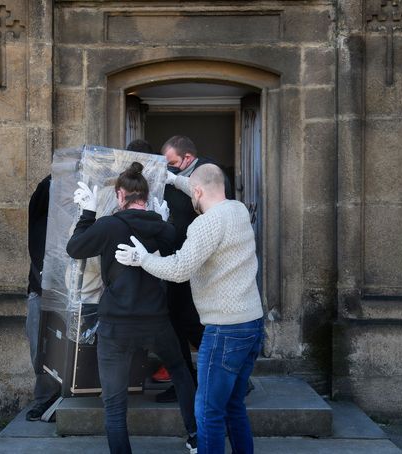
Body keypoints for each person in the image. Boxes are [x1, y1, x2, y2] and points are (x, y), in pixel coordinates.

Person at [115, 164, 264, 454]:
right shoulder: (238, 210)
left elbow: (180, 269)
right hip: (252, 324)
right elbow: (201, 185)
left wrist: (141, 258)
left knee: (208, 412)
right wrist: (174, 179)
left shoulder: (205, 224)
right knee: (234, 406)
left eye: (190, 190)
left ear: (197, 192)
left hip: (224, 330)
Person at [66, 162, 198, 454]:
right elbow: (177, 253)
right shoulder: (164, 228)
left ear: (120, 195)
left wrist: (87, 213)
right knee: (180, 371)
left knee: (114, 403)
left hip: (116, 325)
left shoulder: (109, 225)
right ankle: (195, 436)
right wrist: (164, 223)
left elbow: (75, 248)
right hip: (157, 320)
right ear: (146, 196)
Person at [154, 135, 234, 403]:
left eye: (172, 163)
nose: (169, 168)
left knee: (190, 322)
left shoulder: (209, 174)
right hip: (178, 259)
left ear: (187, 159)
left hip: (199, 264)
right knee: (177, 322)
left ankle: (228, 379)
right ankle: (185, 382)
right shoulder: (175, 177)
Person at [25, 175, 62, 421]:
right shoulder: (41, 221)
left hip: (70, 292)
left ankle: (64, 397)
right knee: (39, 348)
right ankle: (45, 398)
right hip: (40, 290)